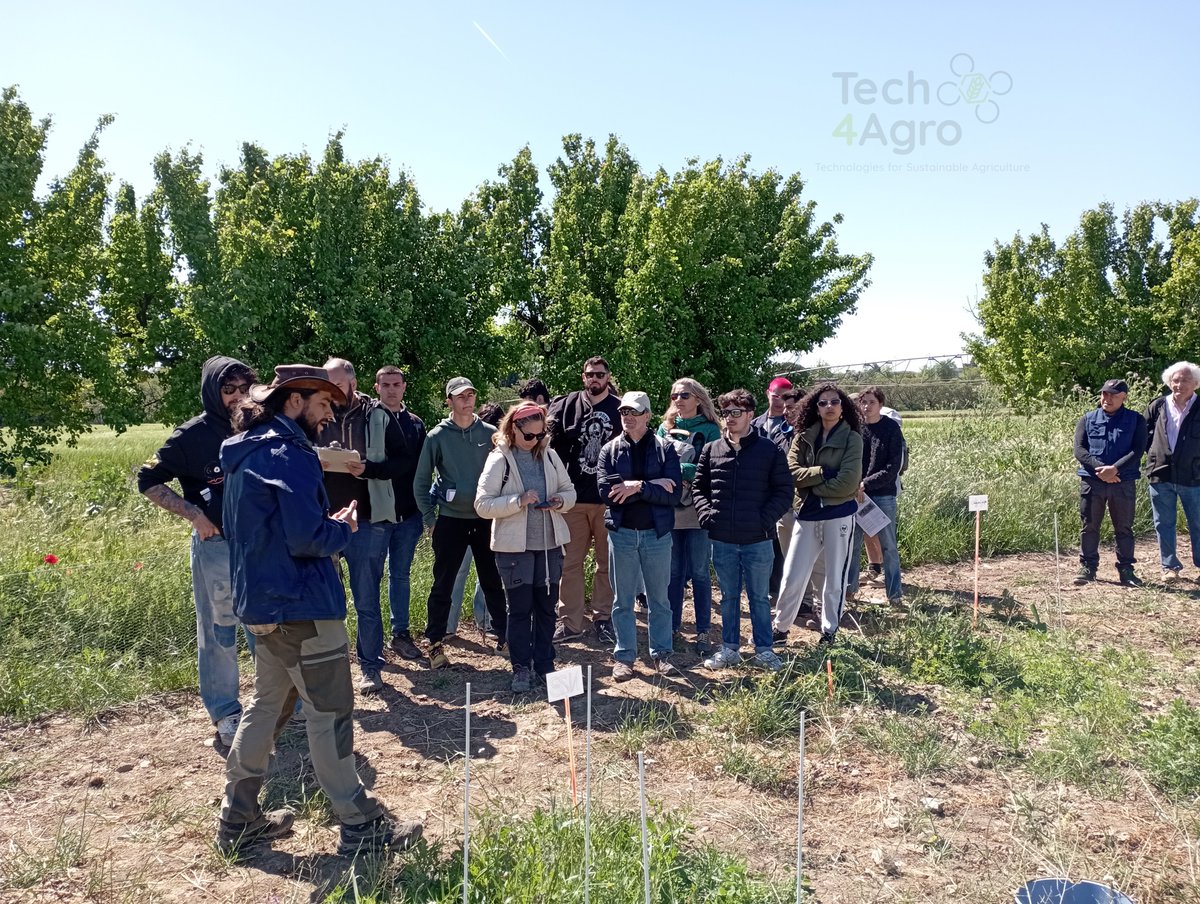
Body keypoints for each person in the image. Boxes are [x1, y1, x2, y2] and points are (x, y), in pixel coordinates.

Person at [216, 364, 421, 856]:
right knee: (329, 713)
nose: (330, 415)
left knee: (266, 708)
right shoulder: (289, 453)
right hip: (303, 605)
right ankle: (360, 824)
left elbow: (269, 529)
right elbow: (307, 538)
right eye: (324, 403)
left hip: (263, 604)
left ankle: (237, 819)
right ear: (294, 400)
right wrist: (343, 529)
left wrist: (324, 524)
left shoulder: (245, 451)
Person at [137, 355, 257, 748]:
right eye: (228, 390)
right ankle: (225, 711)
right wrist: (194, 515)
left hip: (258, 544)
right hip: (217, 545)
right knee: (220, 629)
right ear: (212, 392)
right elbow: (147, 479)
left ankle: (273, 702)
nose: (238, 398)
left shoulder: (259, 425)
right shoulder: (191, 435)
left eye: (243, 389)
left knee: (266, 624)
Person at [475, 403, 576, 692]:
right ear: (513, 429)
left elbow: (569, 491)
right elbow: (482, 505)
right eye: (529, 436)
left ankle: (545, 665)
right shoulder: (499, 460)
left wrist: (560, 501)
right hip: (513, 549)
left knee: (546, 608)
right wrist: (517, 502)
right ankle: (520, 667)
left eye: (540, 434)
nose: (536, 440)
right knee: (519, 610)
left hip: (549, 544)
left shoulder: (550, 455)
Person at [693, 389, 793, 672]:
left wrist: (765, 520)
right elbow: (700, 489)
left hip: (758, 539)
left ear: (750, 414)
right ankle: (730, 649)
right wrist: (707, 516)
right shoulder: (712, 450)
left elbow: (784, 491)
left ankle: (764, 650)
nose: (730, 419)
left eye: (736, 413)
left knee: (760, 597)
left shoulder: (768, 450)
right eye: (726, 413)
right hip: (722, 538)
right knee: (728, 596)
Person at [413, 377, 507, 668]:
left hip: (485, 519)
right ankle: (436, 644)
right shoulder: (436, 436)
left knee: (493, 580)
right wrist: (431, 520)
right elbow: (420, 482)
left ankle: (504, 638)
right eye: (460, 396)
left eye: (471, 394)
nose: (467, 400)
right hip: (450, 521)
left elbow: (505, 475)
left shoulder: (492, 433)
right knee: (444, 583)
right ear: (449, 401)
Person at [318, 358, 393, 694]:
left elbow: (397, 459)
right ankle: (330, 670)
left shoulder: (373, 413)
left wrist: (367, 466)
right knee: (324, 602)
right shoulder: (315, 412)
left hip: (365, 519)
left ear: (352, 381)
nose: (331, 392)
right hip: (323, 518)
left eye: (337, 384)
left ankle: (369, 667)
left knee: (366, 599)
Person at [597, 391, 683, 681]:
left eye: (634, 412)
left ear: (648, 415)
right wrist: (651, 487)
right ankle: (624, 657)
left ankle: (661, 654)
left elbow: (675, 495)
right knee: (622, 600)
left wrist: (635, 487)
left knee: (659, 599)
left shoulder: (665, 449)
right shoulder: (609, 450)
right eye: (623, 412)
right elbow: (607, 494)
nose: (628, 417)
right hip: (621, 535)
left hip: (656, 535)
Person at [772, 382, 863, 647]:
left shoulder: (852, 438)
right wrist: (823, 471)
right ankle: (780, 629)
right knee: (792, 574)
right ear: (815, 407)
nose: (829, 407)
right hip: (807, 514)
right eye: (823, 403)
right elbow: (790, 473)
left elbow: (848, 483)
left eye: (834, 402)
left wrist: (811, 485)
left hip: (839, 515)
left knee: (835, 576)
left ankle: (829, 631)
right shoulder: (803, 436)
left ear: (843, 407)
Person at [548, 356, 623, 643]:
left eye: (600, 374)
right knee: (571, 563)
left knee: (606, 564)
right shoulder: (566, 405)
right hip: (574, 498)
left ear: (608, 377)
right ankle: (570, 623)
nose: (595, 379)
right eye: (590, 374)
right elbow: (552, 450)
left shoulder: (619, 409)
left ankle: (603, 619)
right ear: (583, 377)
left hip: (608, 499)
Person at [363, 366, 428, 664]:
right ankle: (370, 645)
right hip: (377, 514)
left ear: (404, 387)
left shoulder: (416, 424)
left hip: (409, 513)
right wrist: (372, 469)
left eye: (396, 384)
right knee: (371, 580)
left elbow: (419, 467)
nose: (391, 389)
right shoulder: (368, 420)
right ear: (376, 388)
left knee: (400, 575)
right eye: (385, 384)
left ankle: (400, 634)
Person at [656, 378, 721, 653]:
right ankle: (671, 627)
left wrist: (681, 471)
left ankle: (703, 631)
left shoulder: (711, 430)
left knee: (699, 572)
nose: (678, 400)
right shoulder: (664, 428)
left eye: (684, 395)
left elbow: (714, 466)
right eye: (674, 396)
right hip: (670, 509)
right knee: (672, 572)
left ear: (698, 398)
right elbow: (655, 463)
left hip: (699, 508)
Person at [1072, 378, 1147, 587]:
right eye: (1104, 393)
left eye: (1113, 395)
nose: (1107, 398)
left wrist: (1115, 469)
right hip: (1092, 482)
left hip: (1122, 482)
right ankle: (1088, 567)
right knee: (1089, 526)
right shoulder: (1087, 419)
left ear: (1124, 397)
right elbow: (1079, 450)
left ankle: (1126, 570)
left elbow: (1138, 449)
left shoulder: (1136, 420)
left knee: (1124, 527)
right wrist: (1101, 471)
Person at [447, 402, 504, 638]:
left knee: (488, 571)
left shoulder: (499, 448)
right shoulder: (457, 440)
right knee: (458, 572)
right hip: (461, 515)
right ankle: (450, 625)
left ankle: (485, 621)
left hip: (488, 517)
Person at [844, 386, 906, 604]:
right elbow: (849, 461)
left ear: (880, 404)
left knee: (888, 545)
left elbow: (892, 467)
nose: (867, 406)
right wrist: (854, 484)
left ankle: (894, 594)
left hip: (883, 495)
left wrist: (865, 483)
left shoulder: (891, 428)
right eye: (863, 402)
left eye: (871, 402)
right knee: (853, 544)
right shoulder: (856, 429)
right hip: (857, 495)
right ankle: (850, 591)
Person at [1145, 361, 1200, 583]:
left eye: (1185, 380)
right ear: (1169, 382)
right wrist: (1151, 459)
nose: (1179, 384)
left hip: (1194, 476)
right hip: (1161, 474)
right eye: (1175, 380)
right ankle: (1169, 567)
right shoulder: (1158, 405)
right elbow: (1144, 436)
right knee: (1163, 523)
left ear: (1195, 384)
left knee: (1198, 523)